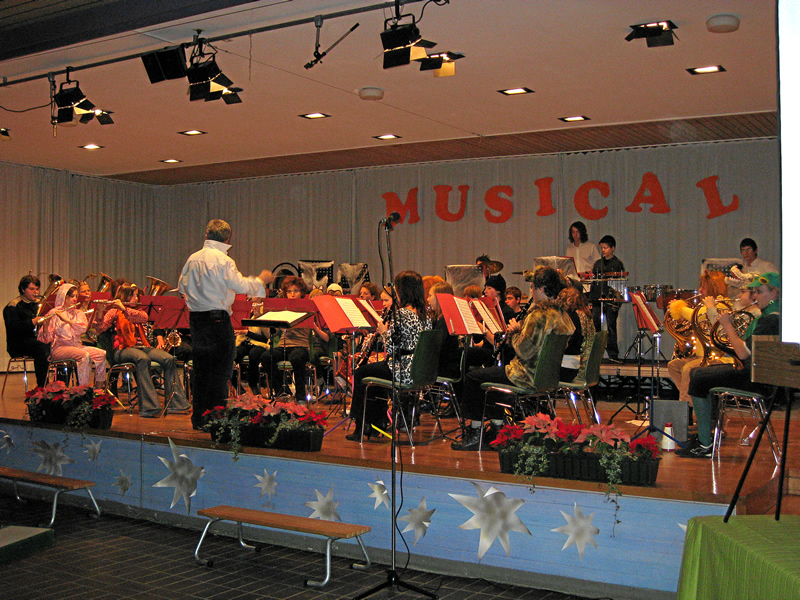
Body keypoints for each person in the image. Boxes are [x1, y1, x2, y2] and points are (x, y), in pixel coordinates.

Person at [452, 266, 575, 451]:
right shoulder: (563, 315)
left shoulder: (539, 315)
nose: (531, 291)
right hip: (546, 376)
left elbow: (524, 351)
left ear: (542, 289)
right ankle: (496, 430)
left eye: (532, 287)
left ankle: (476, 433)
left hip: (525, 375)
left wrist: (515, 332)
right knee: (494, 377)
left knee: (473, 378)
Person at [179, 219, 273, 429]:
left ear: (206, 235)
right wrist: (260, 280)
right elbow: (239, 285)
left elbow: (181, 287)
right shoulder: (223, 260)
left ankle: (199, 419)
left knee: (201, 371)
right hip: (217, 319)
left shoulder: (192, 259)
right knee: (220, 372)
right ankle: (216, 420)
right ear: (228, 239)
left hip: (196, 319)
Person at [677, 272, 780, 458]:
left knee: (699, 378)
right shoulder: (770, 316)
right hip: (755, 372)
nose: (755, 296)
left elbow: (743, 353)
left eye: (759, 292)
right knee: (698, 373)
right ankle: (705, 434)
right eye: (754, 292)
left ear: (775, 293)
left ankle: (705, 444)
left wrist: (727, 325)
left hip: (757, 378)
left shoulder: (770, 319)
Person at [346, 270, 430, 441]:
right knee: (374, 372)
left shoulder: (402, 314)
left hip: (403, 369)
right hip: (419, 368)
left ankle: (363, 424)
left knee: (361, 372)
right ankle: (377, 422)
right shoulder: (425, 315)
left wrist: (384, 332)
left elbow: (392, 348)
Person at [97, 284, 189, 417]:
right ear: (125, 296)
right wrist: (100, 312)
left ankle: (177, 404)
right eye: (133, 295)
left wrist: (124, 308)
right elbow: (100, 330)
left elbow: (142, 318)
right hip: (122, 349)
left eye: (136, 295)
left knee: (168, 358)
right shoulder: (113, 312)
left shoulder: (139, 312)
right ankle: (149, 407)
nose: (136, 298)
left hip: (142, 347)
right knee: (142, 359)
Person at [666, 271, 731, 406]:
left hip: (718, 358)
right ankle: (694, 400)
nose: (700, 290)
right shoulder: (705, 306)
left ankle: (688, 408)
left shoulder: (721, 305)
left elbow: (698, 316)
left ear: (713, 288)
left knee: (688, 369)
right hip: (701, 356)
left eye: (704, 287)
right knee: (673, 366)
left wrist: (679, 308)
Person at [260, 276, 329, 402]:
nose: (292, 294)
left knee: (296, 358)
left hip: (300, 345)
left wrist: (312, 323)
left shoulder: (307, 307)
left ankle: (300, 396)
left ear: (301, 293)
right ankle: (282, 391)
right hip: (283, 345)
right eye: (289, 291)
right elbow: (273, 334)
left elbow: (317, 331)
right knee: (266, 357)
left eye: (296, 291)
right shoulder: (283, 309)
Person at [37, 284, 106, 387]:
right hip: (59, 348)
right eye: (72, 296)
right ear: (64, 297)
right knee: (84, 355)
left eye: (76, 296)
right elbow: (46, 339)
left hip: (77, 347)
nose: (75, 299)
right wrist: (46, 326)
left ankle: (98, 390)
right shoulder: (54, 312)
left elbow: (82, 329)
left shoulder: (79, 313)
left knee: (101, 354)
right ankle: (83, 389)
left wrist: (67, 320)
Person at [3, 275, 51, 387]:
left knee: (58, 344)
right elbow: (13, 327)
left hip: (35, 340)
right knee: (41, 347)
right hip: (18, 343)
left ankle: (61, 384)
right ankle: (43, 387)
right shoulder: (13, 306)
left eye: (37, 289)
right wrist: (32, 322)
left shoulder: (39, 304)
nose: (36, 292)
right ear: (23, 289)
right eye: (32, 289)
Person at [591, 235, 625, 361]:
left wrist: (617, 300)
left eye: (606, 248)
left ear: (612, 248)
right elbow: (594, 282)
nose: (603, 250)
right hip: (597, 300)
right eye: (602, 248)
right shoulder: (598, 264)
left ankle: (613, 354)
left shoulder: (617, 264)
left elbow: (620, 284)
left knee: (611, 326)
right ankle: (595, 353)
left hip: (611, 300)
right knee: (596, 327)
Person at [557, 284, 595, 383]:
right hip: (587, 363)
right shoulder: (585, 312)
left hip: (580, 364)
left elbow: (572, 341)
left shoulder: (575, 315)